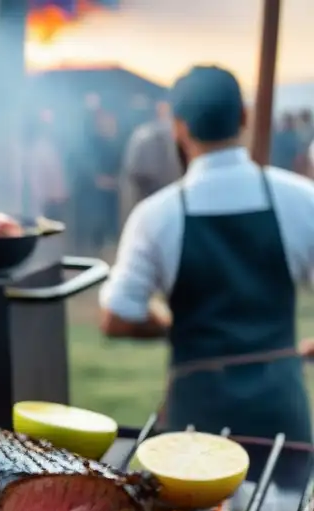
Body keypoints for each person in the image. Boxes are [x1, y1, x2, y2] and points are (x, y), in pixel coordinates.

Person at [99, 65, 314, 442]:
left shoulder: (157, 215)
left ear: (178, 126)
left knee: (195, 502)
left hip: (197, 416)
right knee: (282, 500)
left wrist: (173, 328)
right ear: (243, 116)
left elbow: (117, 317)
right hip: (281, 415)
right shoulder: (299, 199)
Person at [119, 101, 184, 225]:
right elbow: (138, 177)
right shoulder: (146, 136)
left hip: (161, 209)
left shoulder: (145, 135)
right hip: (152, 209)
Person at [81, 109, 121, 253]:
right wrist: (100, 180)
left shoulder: (117, 143)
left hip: (113, 201)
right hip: (93, 202)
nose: (108, 124)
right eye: (104, 121)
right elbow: (91, 174)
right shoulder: (90, 144)